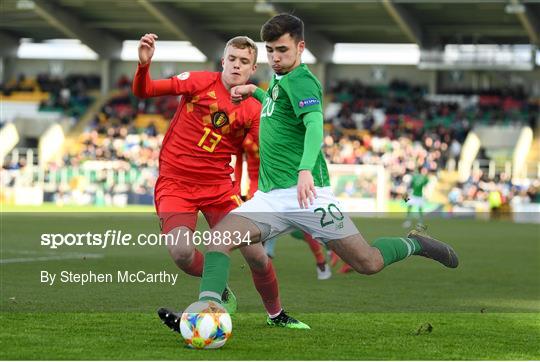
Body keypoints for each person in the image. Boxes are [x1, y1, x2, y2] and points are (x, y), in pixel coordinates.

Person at [193, 14, 459, 323]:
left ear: (301, 47)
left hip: (309, 196)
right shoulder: (280, 80)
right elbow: (281, 113)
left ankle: (416, 243)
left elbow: (314, 125)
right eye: (270, 51)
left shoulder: (302, 80)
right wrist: (257, 92)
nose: (276, 58)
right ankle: (207, 312)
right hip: (270, 198)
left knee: (368, 262)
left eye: (282, 50)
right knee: (219, 239)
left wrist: (305, 168)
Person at [132, 33, 309, 330]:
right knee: (182, 253)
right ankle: (220, 291)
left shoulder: (254, 109)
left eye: (244, 62)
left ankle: (277, 315)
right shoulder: (198, 82)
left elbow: (266, 151)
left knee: (257, 255)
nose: (236, 66)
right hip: (175, 184)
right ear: (222, 61)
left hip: (218, 189)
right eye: (232, 59)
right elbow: (145, 90)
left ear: (252, 69)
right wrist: (143, 65)